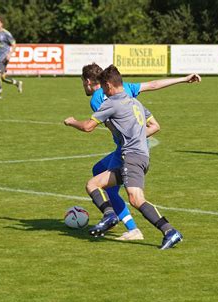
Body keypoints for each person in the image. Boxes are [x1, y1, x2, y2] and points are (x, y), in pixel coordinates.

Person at [65, 65, 183, 250]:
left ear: (109, 86)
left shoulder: (110, 103)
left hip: (131, 158)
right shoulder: (136, 103)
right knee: (93, 183)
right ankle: (110, 215)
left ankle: (169, 231)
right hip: (136, 155)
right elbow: (154, 126)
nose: (103, 93)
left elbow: (88, 127)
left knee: (136, 199)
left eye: (104, 88)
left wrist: (72, 122)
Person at [0, 16, 23, 100]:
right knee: (3, 78)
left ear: (2, 24)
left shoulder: (6, 33)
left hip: (4, 57)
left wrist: (10, 54)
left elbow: (14, 45)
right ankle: (17, 83)